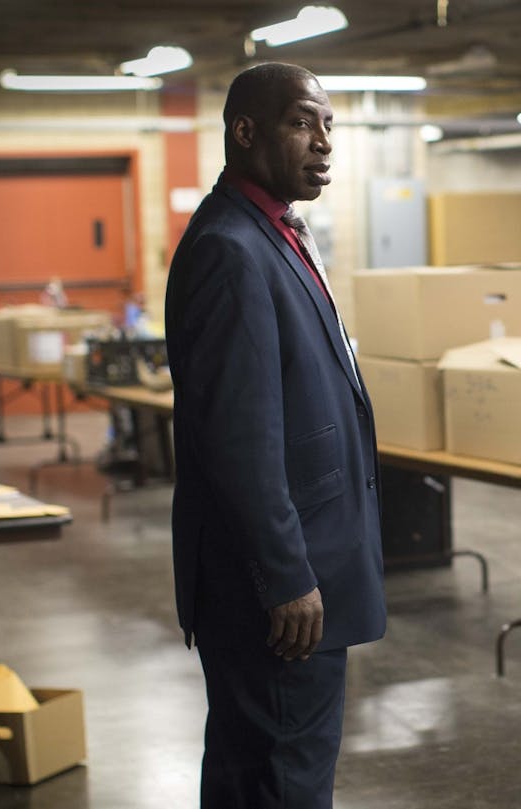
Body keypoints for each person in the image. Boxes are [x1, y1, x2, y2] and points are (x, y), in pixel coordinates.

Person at [164, 62, 386, 808]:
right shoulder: (232, 248)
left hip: (300, 572)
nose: (323, 142)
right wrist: (286, 573)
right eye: (301, 122)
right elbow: (239, 436)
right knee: (281, 779)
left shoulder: (272, 232)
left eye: (328, 124)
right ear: (246, 132)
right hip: (282, 593)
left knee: (256, 770)